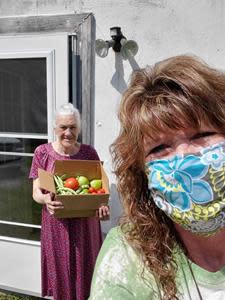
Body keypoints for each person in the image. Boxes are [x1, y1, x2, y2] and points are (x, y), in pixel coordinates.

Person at [89, 55, 225, 300]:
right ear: (142, 172)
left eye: (202, 134)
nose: (184, 156)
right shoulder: (127, 259)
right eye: (159, 148)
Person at [29, 103, 109, 300]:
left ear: (79, 128)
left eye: (73, 127)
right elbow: (36, 192)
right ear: (55, 128)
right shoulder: (42, 153)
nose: (68, 132)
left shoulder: (89, 153)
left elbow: (97, 189)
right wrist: (45, 199)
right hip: (57, 225)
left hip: (85, 226)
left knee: (86, 272)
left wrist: (102, 207)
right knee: (62, 277)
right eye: (63, 127)